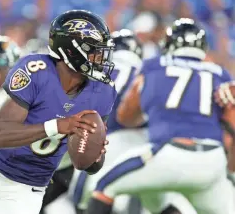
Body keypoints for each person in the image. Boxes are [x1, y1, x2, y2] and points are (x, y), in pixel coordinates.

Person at [0, 10, 117, 214]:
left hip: (28, 189)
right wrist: (57, 126)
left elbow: (88, 165)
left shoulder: (103, 91)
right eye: (94, 51)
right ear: (71, 50)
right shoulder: (36, 70)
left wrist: (95, 152)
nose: (100, 58)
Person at [86, 18, 235, 214]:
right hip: (212, 161)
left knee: (103, 187)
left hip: (170, 153)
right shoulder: (221, 75)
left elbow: (126, 116)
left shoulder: (154, 66)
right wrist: (229, 169)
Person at [69, 28, 147, 214]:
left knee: (82, 199)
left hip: (97, 144)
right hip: (140, 146)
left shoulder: (96, 69)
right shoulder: (146, 73)